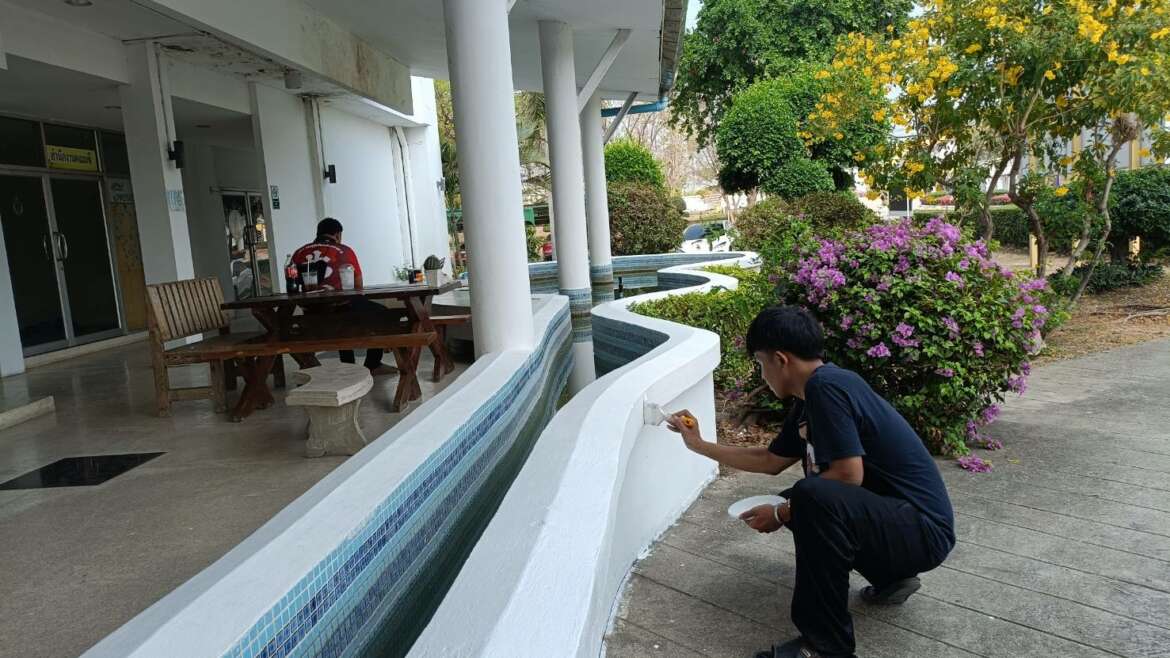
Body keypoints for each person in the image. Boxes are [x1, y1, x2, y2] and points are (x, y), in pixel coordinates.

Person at [666, 306, 955, 658]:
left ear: (780, 359)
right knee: (798, 498)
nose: (762, 373)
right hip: (904, 526)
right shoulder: (811, 397)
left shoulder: (827, 387)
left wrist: (782, 514)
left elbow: (849, 476)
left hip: (923, 532)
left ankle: (824, 647)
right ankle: (891, 577)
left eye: (760, 363)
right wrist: (697, 445)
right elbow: (771, 461)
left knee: (809, 499)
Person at [291, 218, 396, 376]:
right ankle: (373, 364)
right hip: (343, 313)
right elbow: (358, 287)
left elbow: (292, 283)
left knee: (340, 315)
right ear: (338, 234)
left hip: (311, 315)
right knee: (382, 314)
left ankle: (348, 365)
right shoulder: (345, 251)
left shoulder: (299, 253)